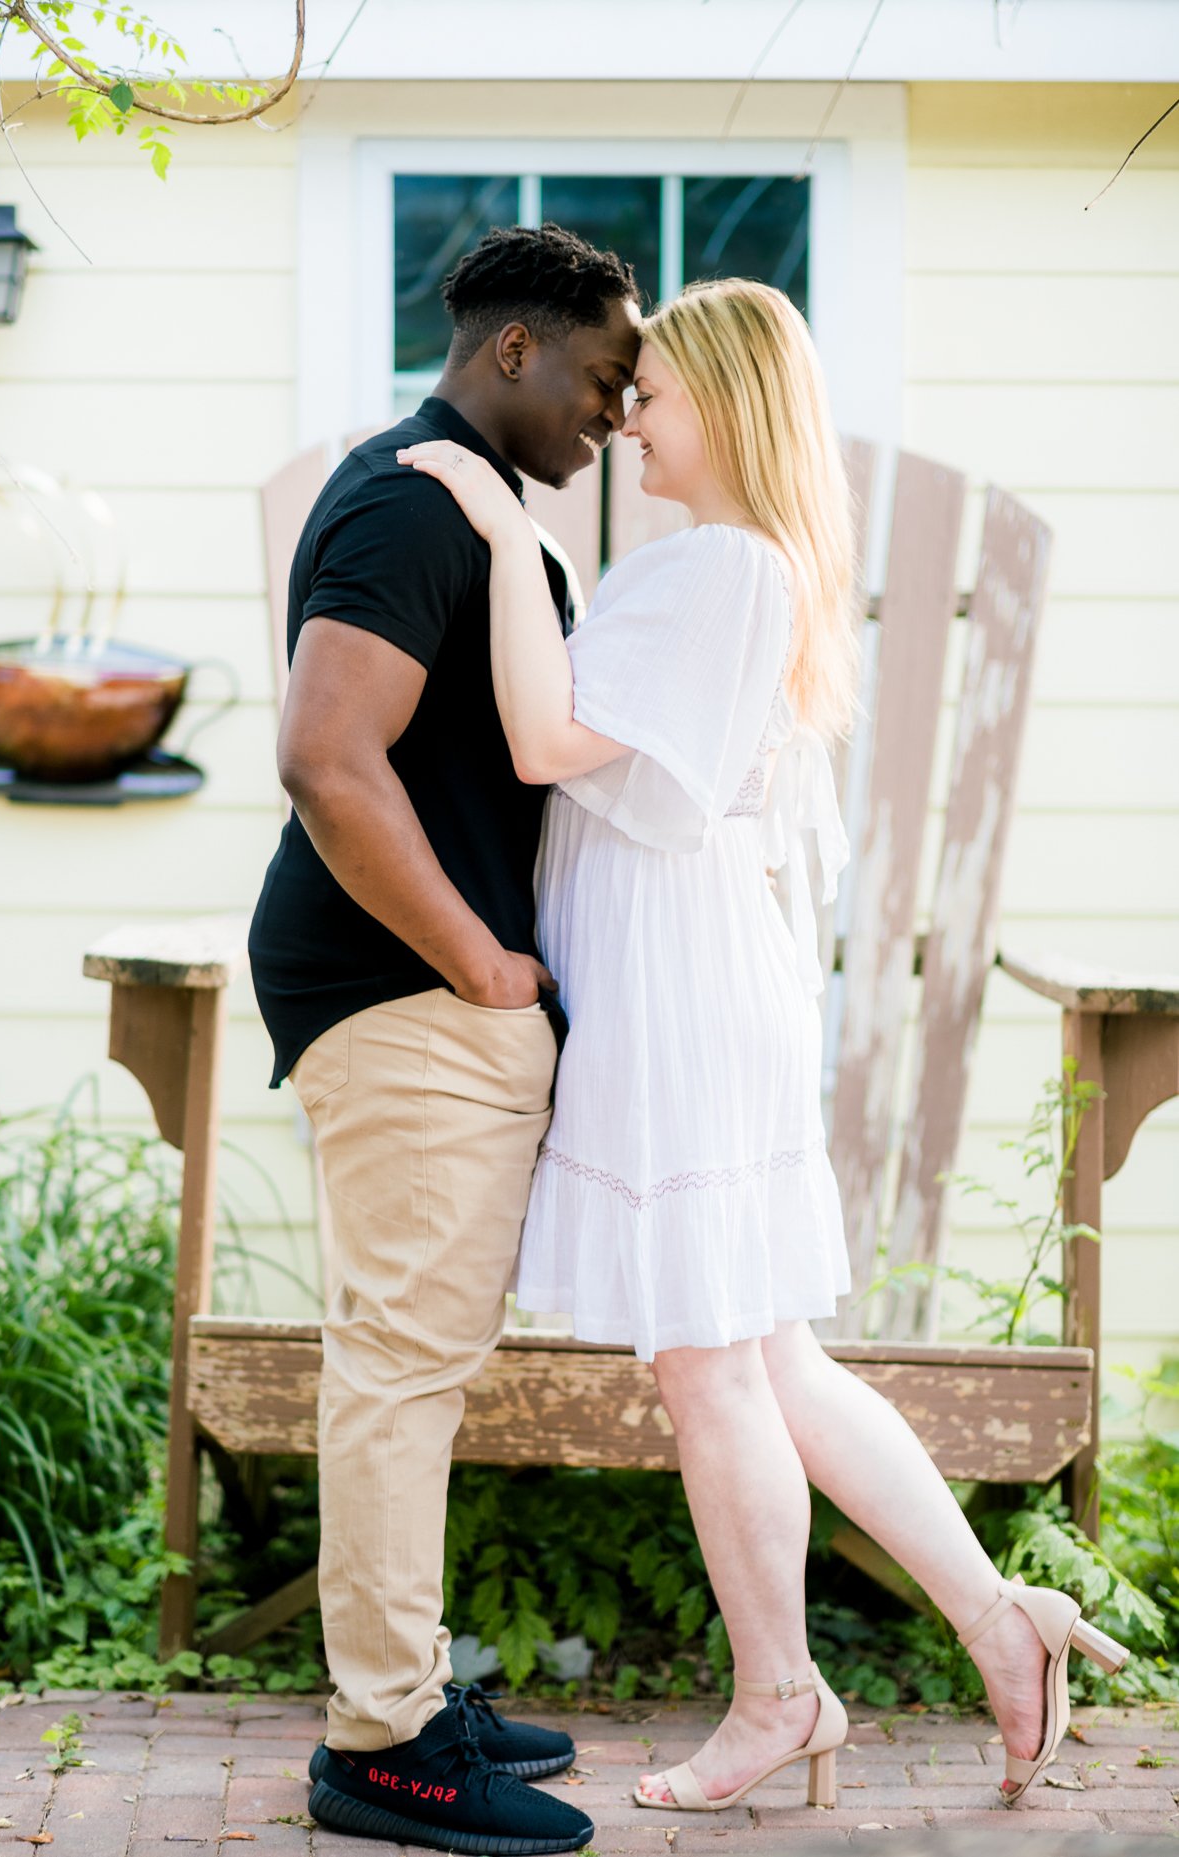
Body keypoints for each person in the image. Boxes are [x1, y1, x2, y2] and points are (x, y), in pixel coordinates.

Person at [397, 274, 1131, 1821]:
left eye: (648, 393)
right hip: (697, 983)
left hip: (682, 999)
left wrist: (499, 528)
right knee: (771, 1359)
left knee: (709, 1364)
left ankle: (778, 1695)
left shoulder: (720, 567)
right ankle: (1002, 1620)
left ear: (721, 408)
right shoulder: (730, 570)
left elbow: (542, 744)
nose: (623, 414)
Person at [248, 222, 642, 1854]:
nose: (615, 417)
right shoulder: (416, 497)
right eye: (607, 378)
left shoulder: (437, 492)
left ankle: (404, 1692)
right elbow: (328, 757)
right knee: (401, 1371)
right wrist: (482, 960)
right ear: (513, 350)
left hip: (414, 990)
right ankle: (387, 1742)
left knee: (411, 1363)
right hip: (406, 990)